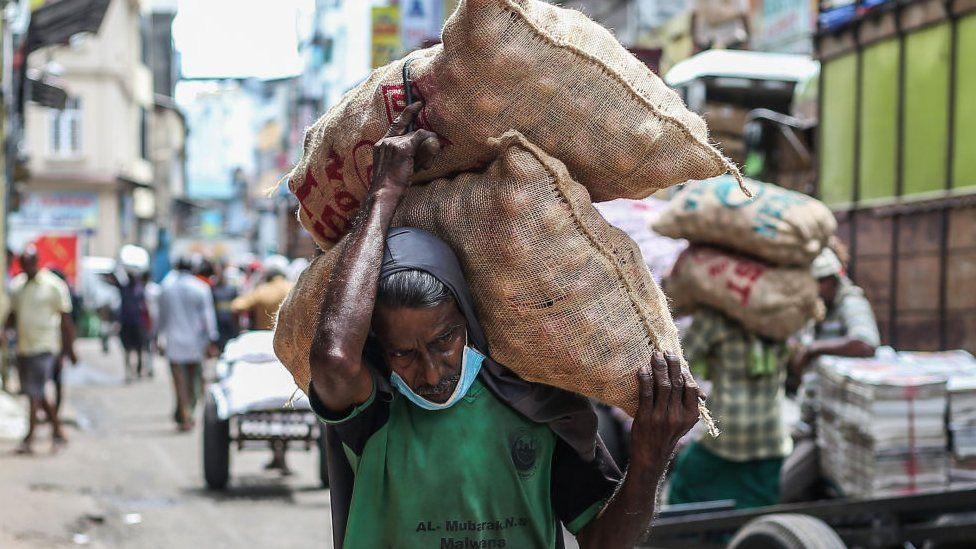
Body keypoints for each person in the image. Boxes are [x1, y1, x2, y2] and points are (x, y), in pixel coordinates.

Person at [289, 103, 702, 548]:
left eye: (444, 339)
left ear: (467, 317)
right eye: (404, 354)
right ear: (379, 350)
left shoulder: (534, 400)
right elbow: (332, 359)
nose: (432, 372)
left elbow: (603, 541)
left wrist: (649, 459)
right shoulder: (375, 413)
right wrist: (384, 192)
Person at [780, 247, 880, 502]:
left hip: (827, 426)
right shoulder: (821, 310)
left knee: (784, 487)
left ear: (832, 280)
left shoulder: (850, 302)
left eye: (821, 283)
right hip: (810, 415)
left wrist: (814, 350)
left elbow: (865, 343)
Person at [667, 305, 792, 510]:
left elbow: (679, 359)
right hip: (770, 437)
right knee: (757, 508)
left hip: (724, 435)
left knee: (686, 489)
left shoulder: (714, 318)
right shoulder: (784, 313)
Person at [6, 248, 77, 454]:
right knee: (34, 391)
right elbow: (12, 315)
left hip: (45, 347)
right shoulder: (18, 287)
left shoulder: (53, 286)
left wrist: (69, 349)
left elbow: (66, 320)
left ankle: (30, 437)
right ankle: (57, 430)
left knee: (34, 391)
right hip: (24, 346)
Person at [158, 256, 219, 431]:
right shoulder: (200, 288)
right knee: (194, 382)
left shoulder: (166, 288)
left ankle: (184, 414)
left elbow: (161, 317)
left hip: (174, 343)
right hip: (195, 343)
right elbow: (208, 318)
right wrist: (212, 339)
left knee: (179, 383)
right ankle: (188, 413)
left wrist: (157, 336)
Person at [231, 259, 292, 331]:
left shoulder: (261, 291)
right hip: (292, 338)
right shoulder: (294, 288)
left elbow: (237, 306)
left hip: (265, 336)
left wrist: (239, 329)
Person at [210, 262, 240, 351]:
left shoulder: (232, 289)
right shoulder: (213, 289)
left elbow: (236, 307)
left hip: (231, 323)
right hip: (219, 324)